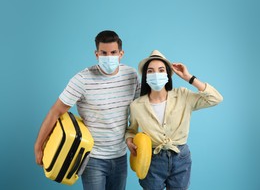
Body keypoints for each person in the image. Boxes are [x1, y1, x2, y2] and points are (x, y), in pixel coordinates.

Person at [34, 30, 140, 190]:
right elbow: (55, 112)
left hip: (120, 156)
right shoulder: (82, 79)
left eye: (113, 52)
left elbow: (141, 110)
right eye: (104, 53)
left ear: (121, 53)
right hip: (92, 158)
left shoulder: (131, 76)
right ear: (96, 54)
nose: (109, 57)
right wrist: (38, 146)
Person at [126, 50, 223, 190]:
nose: (156, 75)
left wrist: (189, 77)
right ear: (145, 76)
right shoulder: (136, 105)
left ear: (167, 74)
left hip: (181, 158)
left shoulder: (183, 95)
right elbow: (131, 130)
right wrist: (129, 140)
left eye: (161, 70)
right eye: (151, 71)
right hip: (152, 159)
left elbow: (215, 98)